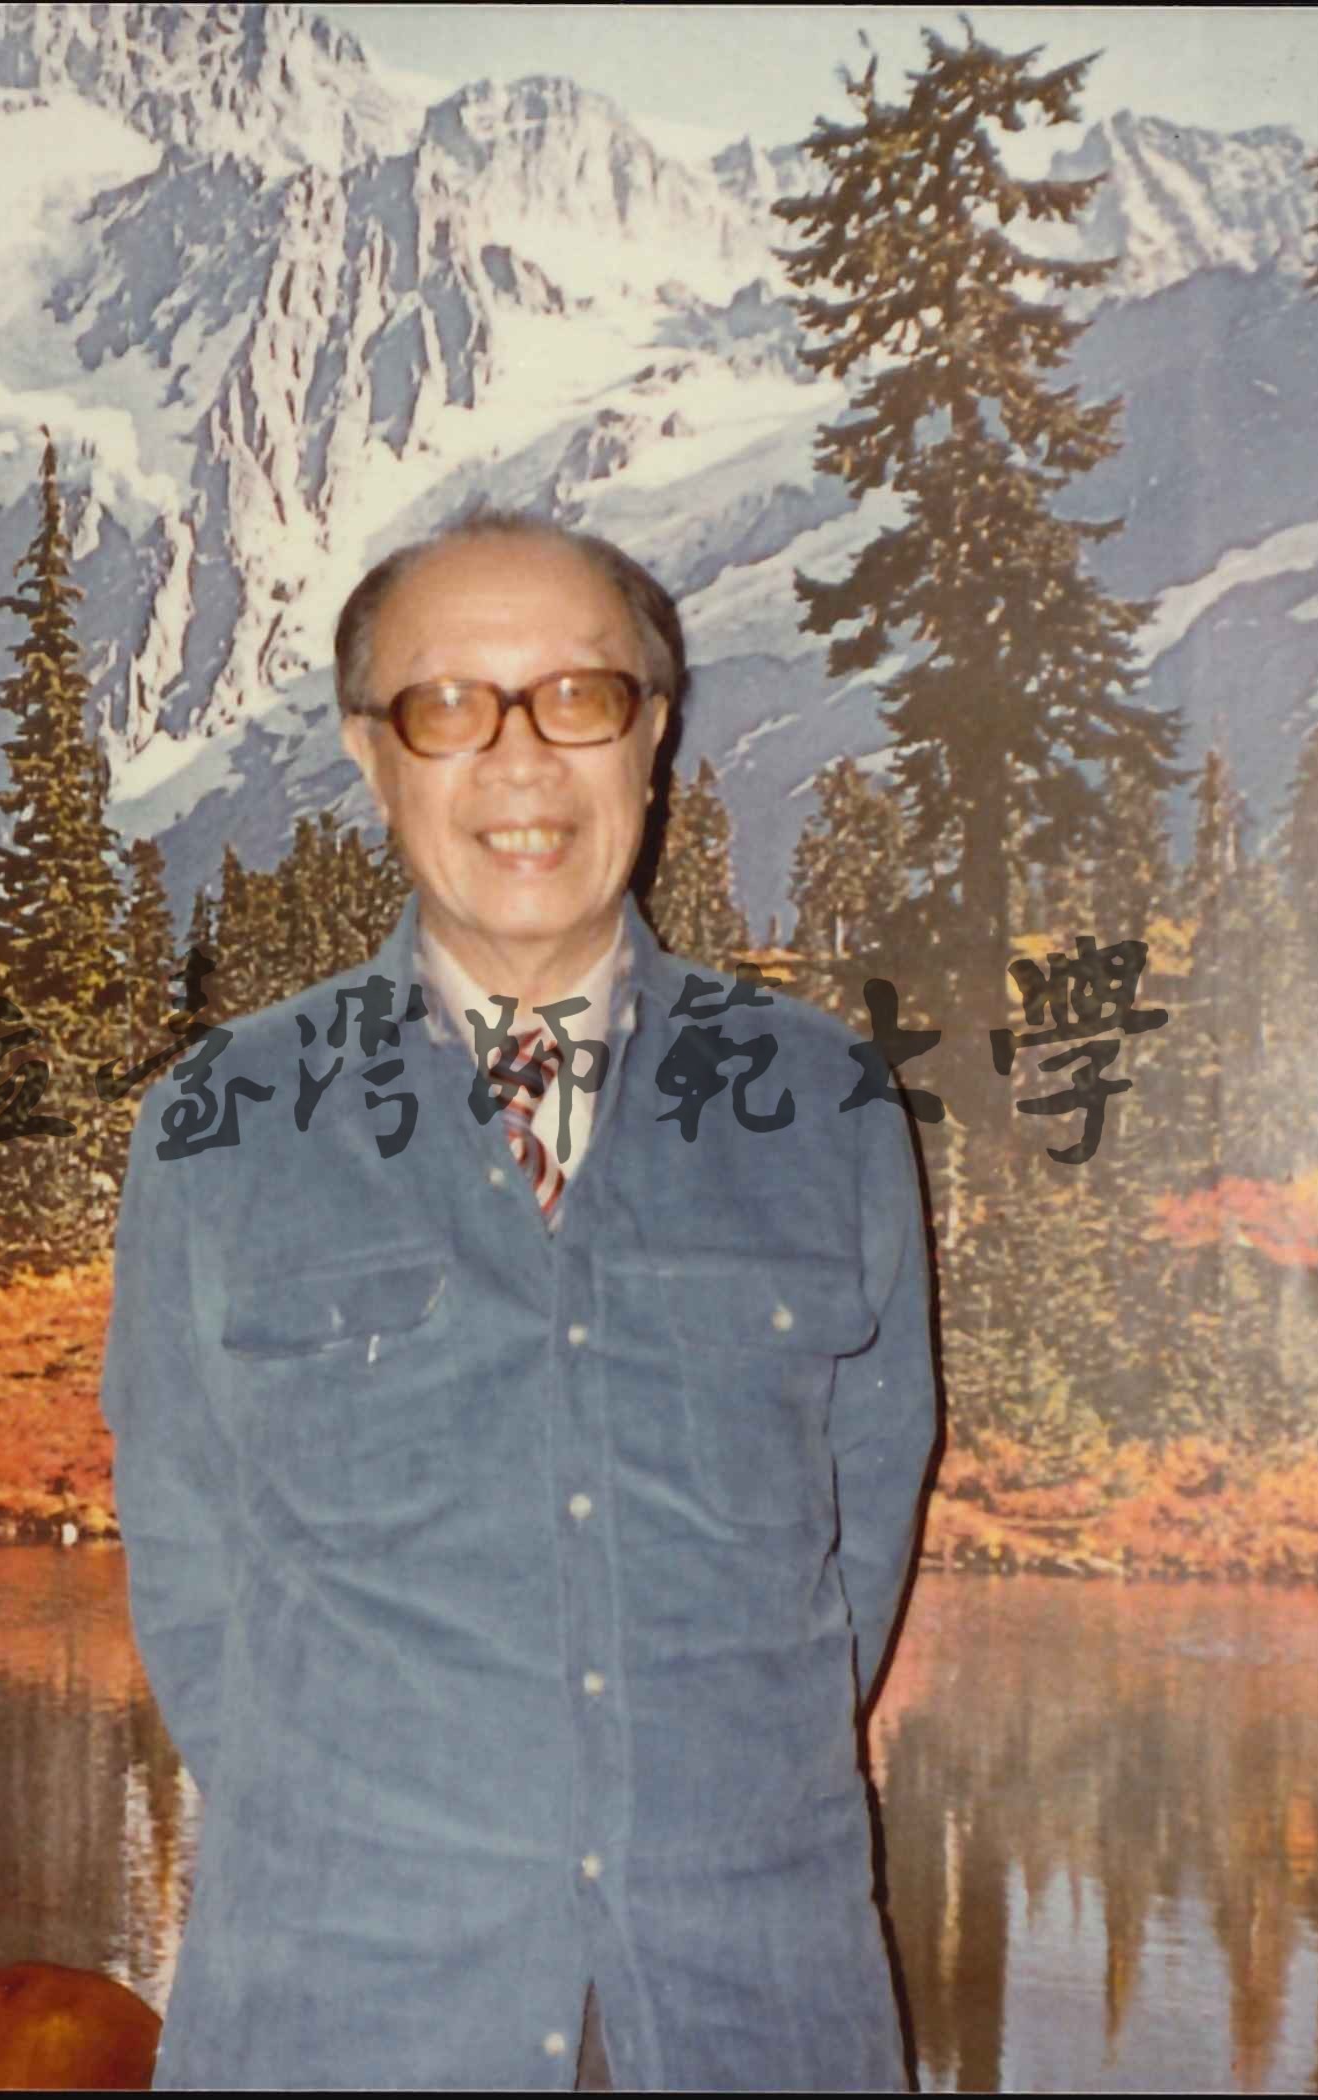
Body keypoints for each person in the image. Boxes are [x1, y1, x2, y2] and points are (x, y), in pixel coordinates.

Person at [98, 509, 938, 2089]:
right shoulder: (223, 1123)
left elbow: (860, 1543)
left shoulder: (825, 1106)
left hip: (750, 2014)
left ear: (653, 734)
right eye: (449, 708)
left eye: (577, 697)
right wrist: (391, 1838)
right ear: (374, 757)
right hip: (347, 2025)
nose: (521, 762)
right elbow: (194, 1580)